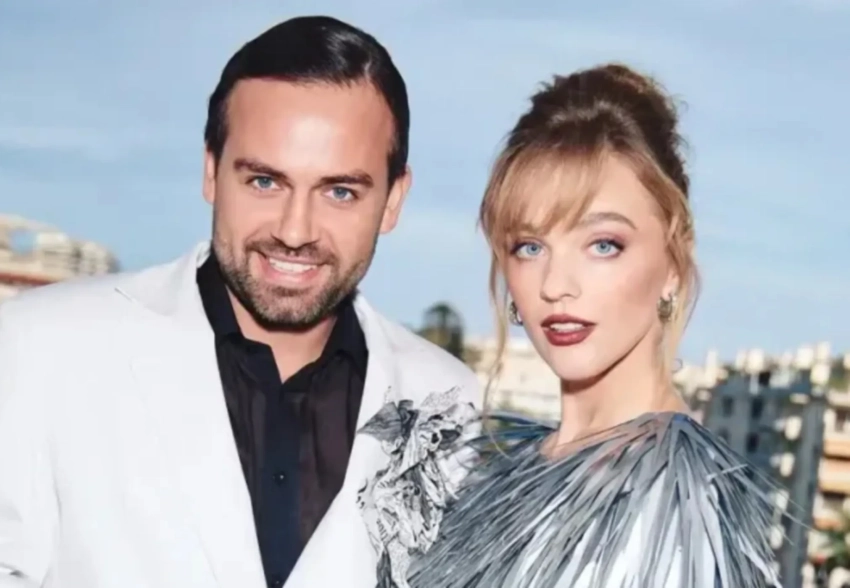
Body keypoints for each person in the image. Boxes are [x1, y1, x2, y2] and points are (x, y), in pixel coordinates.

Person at [0, 16, 480, 588]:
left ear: (394, 199)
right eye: (265, 182)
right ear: (211, 170)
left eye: (339, 191)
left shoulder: (448, 401)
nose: (295, 230)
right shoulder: (38, 345)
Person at [357, 64, 785, 587]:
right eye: (530, 247)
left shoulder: (672, 506)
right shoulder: (495, 475)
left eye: (603, 244)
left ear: (674, 262)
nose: (556, 284)